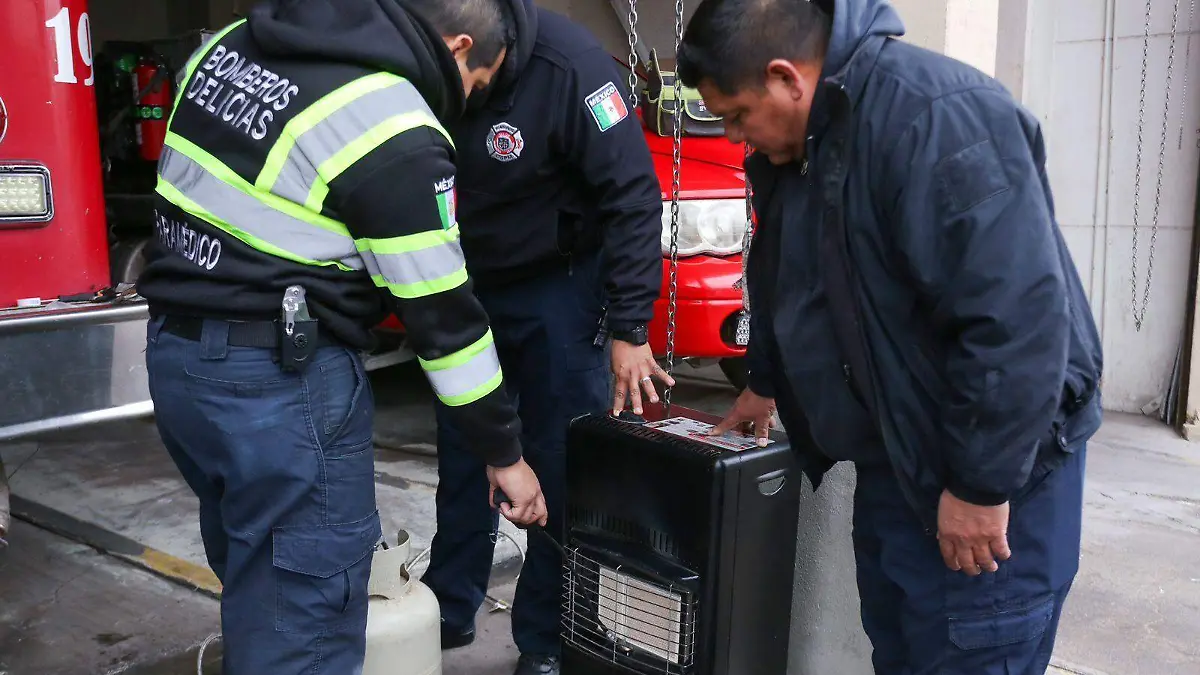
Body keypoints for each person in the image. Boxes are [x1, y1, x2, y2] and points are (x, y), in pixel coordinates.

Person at [679, 1, 1104, 673]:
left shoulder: (936, 120)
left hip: (987, 479)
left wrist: (980, 486)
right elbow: (800, 274)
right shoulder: (812, 139)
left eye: (737, 115)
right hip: (897, 463)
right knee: (902, 648)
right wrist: (766, 379)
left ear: (787, 77)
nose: (735, 136)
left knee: (971, 653)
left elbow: (1016, 321)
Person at [136, 1, 549, 672]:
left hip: (180, 360)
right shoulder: (390, 124)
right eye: (476, 83)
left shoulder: (232, 45)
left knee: (261, 593)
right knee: (307, 626)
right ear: (459, 46)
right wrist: (504, 452)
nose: (466, 102)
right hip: (281, 386)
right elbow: (444, 317)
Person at [401, 2, 669, 673]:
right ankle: (450, 603)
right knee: (468, 447)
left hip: (562, 287)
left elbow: (634, 196)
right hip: (471, 281)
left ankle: (546, 637)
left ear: (470, 49)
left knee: (557, 459)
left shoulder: (574, 69)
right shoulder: (425, 57)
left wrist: (630, 325)